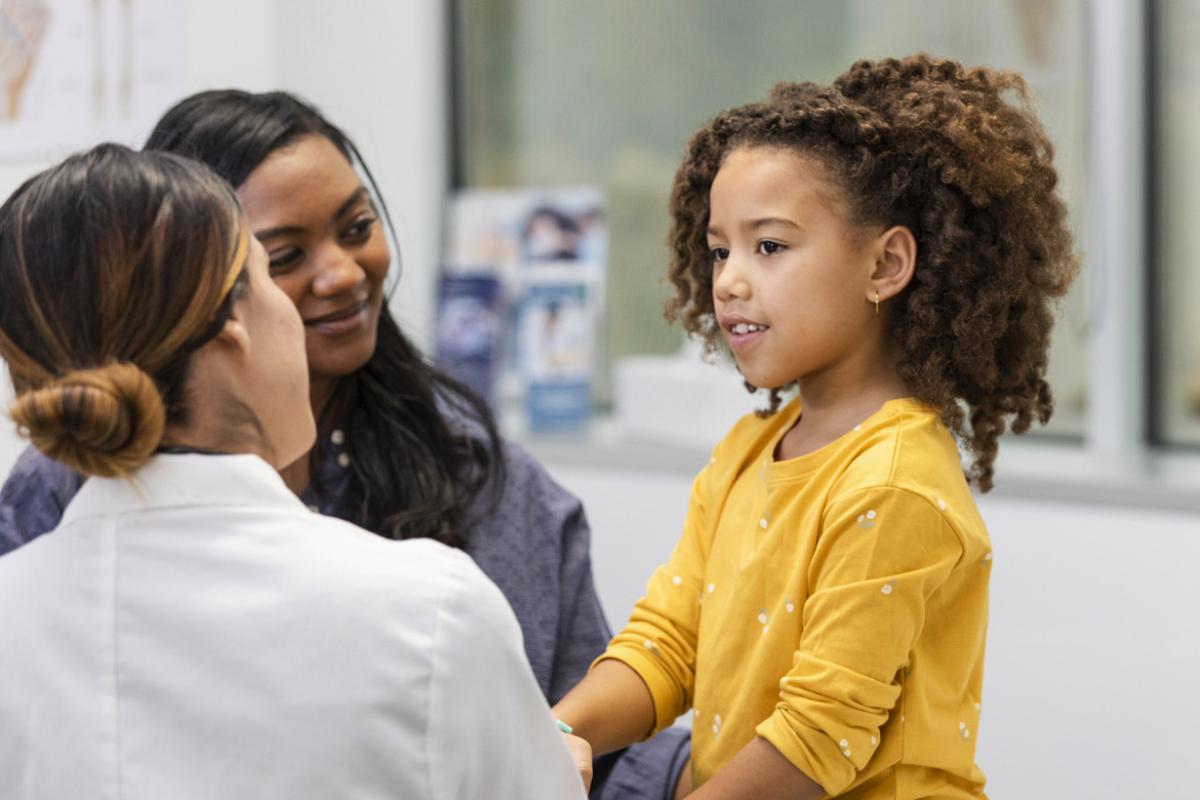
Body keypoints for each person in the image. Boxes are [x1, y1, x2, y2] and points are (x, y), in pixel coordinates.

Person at [0, 90, 690, 798]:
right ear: (226, 320)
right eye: (280, 261)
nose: (340, 275)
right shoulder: (435, 607)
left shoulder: (479, 479)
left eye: (357, 225)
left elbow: (592, 748)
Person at [553, 54, 1078, 799]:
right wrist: (559, 733)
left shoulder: (894, 484)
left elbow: (815, 739)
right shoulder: (746, 453)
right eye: (718, 249)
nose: (729, 278)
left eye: (769, 246)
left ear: (886, 263)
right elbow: (669, 644)